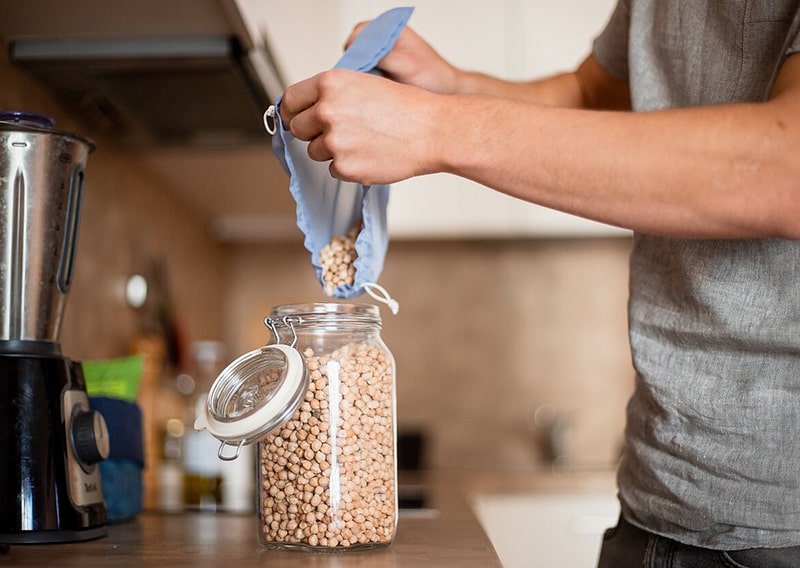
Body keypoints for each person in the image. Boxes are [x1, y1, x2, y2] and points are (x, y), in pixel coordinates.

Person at [279, 1, 800, 566]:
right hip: (652, 506)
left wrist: (433, 127)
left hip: (777, 531)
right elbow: (593, 94)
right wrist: (449, 89)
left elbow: (786, 167)